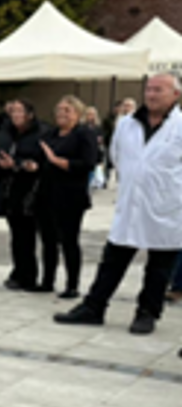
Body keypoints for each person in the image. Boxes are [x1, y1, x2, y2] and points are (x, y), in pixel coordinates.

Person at [55, 73, 182, 334]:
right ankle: (94, 307)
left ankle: (147, 313)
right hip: (131, 203)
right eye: (149, 89)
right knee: (112, 260)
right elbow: (116, 155)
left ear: (176, 95)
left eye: (159, 90)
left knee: (159, 266)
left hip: (168, 207)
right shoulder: (126, 124)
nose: (152, 94)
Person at [34, 95, 98, 299]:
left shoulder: (84, 134)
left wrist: (59, 161)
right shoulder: (50, 134)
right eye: (59, 110)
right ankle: (47, 281)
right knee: (48, 240)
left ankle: (72, 285)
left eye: (67, 110)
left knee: (69, 241)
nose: (61, 114)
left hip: (71, 196)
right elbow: (41, 158)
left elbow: (88, 163)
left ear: (78, 114)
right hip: (46, 194)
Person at [0, 99, 45, 291]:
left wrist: (17, 164)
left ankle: (30, 275)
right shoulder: (4, 133)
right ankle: (19, 271)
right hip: (8, 191)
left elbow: (41, 161)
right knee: (16, 235)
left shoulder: (41, 133)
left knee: (28, 236)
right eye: (13, 112)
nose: (15, 115)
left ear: (29, 114)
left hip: (29, 192)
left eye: (19, 111)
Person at [83, 105, 106, 189]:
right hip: (86, 151)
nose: (91, 116)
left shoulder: (97, 126)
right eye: (89, 114)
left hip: (96, 151)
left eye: (92, 114)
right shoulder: (82, 126)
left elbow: (102, 136)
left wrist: (100, 139)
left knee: (95, 169)